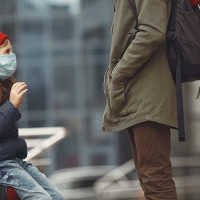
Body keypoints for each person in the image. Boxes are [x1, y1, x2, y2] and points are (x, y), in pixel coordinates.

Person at [102, 0, 177, 199]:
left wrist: (117, 75)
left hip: (146, 92)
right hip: (136, 90)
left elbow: (152, 32)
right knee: (149, 180)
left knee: (156, 180)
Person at [0, 32, 64, 200]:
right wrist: (12, 106)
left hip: (15, 159)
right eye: (6, 52)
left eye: (11, 52)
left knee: (56, 197)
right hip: (3, 164)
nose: (11, 57)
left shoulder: (5, 85)